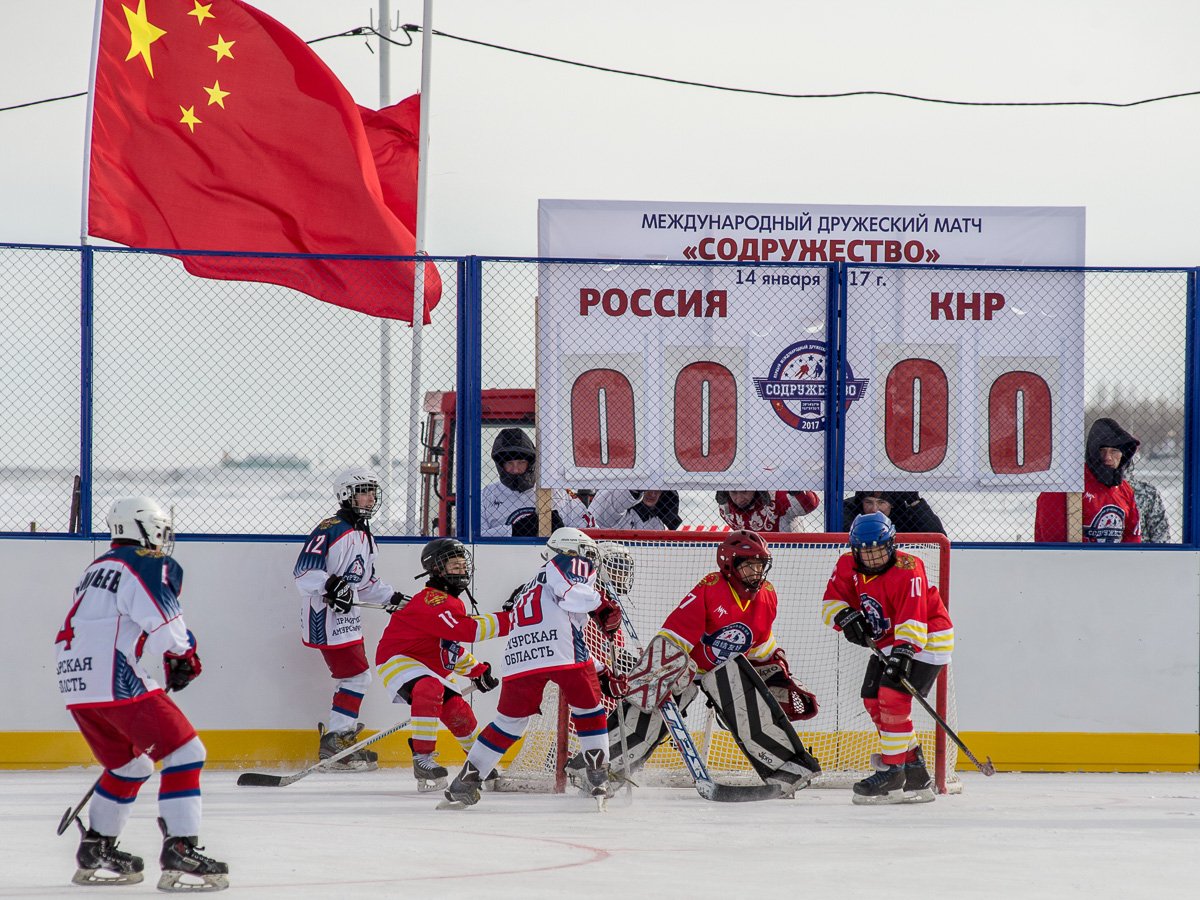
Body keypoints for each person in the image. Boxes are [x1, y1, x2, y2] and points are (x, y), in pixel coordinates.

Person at [55, 497, 228, 891]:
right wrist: (183, 655)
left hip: (76, 684)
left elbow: (123, 626)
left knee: (130, 766)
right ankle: (180, 847)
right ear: (144, 528)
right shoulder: (147, 563)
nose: (162, 541)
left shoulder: (94, 569)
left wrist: (168, 651)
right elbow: (166, 625)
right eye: (160, 531)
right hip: (115, 681)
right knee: (187, 751)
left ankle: (96, 847)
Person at [440, 527, 620, 808]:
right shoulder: (566, 561)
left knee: (508, 724)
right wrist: (602, 606)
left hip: (519, 658)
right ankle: (598, 776)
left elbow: (561, 628)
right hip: (561, 652)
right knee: (590, 710)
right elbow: (570, 595)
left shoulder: (530, 586)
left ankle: (466, 781)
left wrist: (598, 669)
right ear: (572, 550)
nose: (589, 562)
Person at [823, 512, 954, 805]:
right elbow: (832, 601)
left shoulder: (909, 568)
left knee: (893, 698)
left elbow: (913, 614)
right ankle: (916, 773)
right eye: (865, 551)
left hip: (927, 637)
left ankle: (893, 773)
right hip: (888, 641)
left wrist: (904, 652)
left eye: (878, 550)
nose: (872, 558)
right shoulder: (847, 564)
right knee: (872, 699)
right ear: (855, 548)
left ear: (891, 544)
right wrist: (845, 616)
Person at [375, 538, 512, 791]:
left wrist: (477, 670)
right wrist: (513, 618)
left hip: (430, 663)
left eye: (463, 566)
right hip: (399, 659)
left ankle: (481, 764)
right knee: (428, 688)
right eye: (454, 566)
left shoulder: (451, 602)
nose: (461, 571)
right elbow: (467, 631)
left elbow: (446, 648)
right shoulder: (432, 600)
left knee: (460, 714)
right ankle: (422, 758)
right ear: (437, 569)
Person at [294, 468, 405, 770]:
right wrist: (330, 584)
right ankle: (336, 740)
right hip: (325, 619)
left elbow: (364, 583)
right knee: (357, 677)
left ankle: (339, 737)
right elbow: (304, 573)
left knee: (355, 676)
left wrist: (392, 598)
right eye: (364, 491)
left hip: (348, 620)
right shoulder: (330, 528)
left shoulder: (365, 534)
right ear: (347, 494)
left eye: (372, 491)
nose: (370, 498)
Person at [1035, 418, 1142, 543]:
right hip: (1072, 560)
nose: (1107, 457)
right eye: (1101, 451)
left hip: (1114, 561)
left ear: (1123, 454)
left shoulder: (1125, 490)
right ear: (1092, 451)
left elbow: (1133, 540)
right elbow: (1052, 544)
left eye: (1114, 451)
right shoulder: (1064, 485)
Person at [480, 428, 592, 537]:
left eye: (521, 462)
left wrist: (563, 533)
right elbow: (474, 538)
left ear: (530, 463)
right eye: (509, 463)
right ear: (500, 465)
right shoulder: (485, 496)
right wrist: (514, 531)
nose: (515, 469)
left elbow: (589, 529)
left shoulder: (559, 492)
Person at [841, 491, 945, 534]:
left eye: (881, 503)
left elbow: (939, 535)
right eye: (868, 502)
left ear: (892, 504)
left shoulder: (903, 514)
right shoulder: (849, 508)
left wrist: (915, 502)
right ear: (861, 502)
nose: (874, 509)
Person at [716, 490, 820, 532]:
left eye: (744, 491)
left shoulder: (776, 497)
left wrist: (796, 488)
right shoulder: (725, 508)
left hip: (790, 554)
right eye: (733, 492)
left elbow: (810, 504)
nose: (739, 499)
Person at [587, 489, 682, 530]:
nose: (653, 494)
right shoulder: (616, 509)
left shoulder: (657, 523)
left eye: (658, 490)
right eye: (649, 488)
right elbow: (619, 499)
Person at [1126, 459, 1172, 543]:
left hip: (1140, 553)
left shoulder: (1146, 492)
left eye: (1115, 451)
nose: (1108, 457)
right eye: (1103, 450)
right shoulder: (1095, 492)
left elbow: (1161, 536)